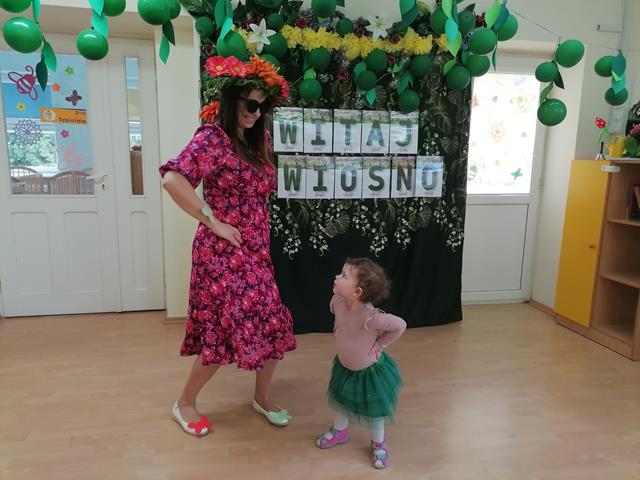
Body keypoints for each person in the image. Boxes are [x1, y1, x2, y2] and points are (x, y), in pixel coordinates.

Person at [159, 55, 295, 436]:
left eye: (262, 107)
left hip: (256, 250)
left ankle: (262, 397)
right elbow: (172, 180)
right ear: (231, 99)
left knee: (273, 322)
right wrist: (212, 221)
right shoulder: (212, 139)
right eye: (250, 104)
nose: (255, 113)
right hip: (221, 254)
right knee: (223, 330)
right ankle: (184, 403)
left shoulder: (258, 140)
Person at [316, 258, 406, 469]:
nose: (337, 277)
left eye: (344, 276)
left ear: (357, 292)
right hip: (344, 367)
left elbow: (400, 325)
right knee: (340, 401)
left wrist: (380, 345)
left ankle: (378, 443)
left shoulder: (371, 317)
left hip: (368, 374)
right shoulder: (337, 301)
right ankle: (339, 431)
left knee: (375, 412)